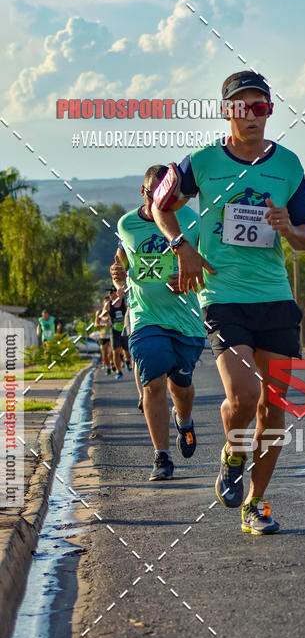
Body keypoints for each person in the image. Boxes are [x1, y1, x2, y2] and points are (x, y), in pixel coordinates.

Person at [152, 70, 305, 534]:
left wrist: (289, 230)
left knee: (277, 404)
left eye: (261, 107)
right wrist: (181, 245)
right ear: (227, 111)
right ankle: (232, 454)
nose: (252, 116)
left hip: (275, 296)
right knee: (244, 396)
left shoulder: (287, 165)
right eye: (242, 107)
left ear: (269, 111)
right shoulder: (200, 162)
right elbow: (161, 204)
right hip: (223, 294)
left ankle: (256, 503)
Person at [111, 164, 206, 481]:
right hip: (145, 317)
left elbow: (211, 266)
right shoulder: (127, 224)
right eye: (156, 194)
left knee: (181, 385)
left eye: (170, 194)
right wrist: (119, 272)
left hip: (185, 319)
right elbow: (122, 256)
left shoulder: (193, 222)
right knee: (152, 384)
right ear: (144, 192)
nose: (162, 201)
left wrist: (194, 279)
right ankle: (161, 457)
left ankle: (185, 419)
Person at [108, 287, 127, 378]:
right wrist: (105, 320)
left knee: (127, 352)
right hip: (114, 330)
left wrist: (126, 320)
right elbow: (102, 316)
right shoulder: (108, 304)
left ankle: (127, 360)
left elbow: (130, 312)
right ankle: (118, 371)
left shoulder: (124, 301)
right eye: (110, 293)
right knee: (115, 351)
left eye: (112, 292)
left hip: (125, 328)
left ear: (117, 293)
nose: (110, 294)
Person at [95, 296, 113, 374]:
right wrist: (104, 325)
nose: (107, 303)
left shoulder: (113, 311)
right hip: (103, 335)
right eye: (106, 302)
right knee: (104, 353)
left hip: (112, 334)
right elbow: (96, 324)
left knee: (111, 352)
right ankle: (108, 367)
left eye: (109, 302)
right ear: (103, 303)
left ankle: (112, 363)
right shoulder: (99, 312)